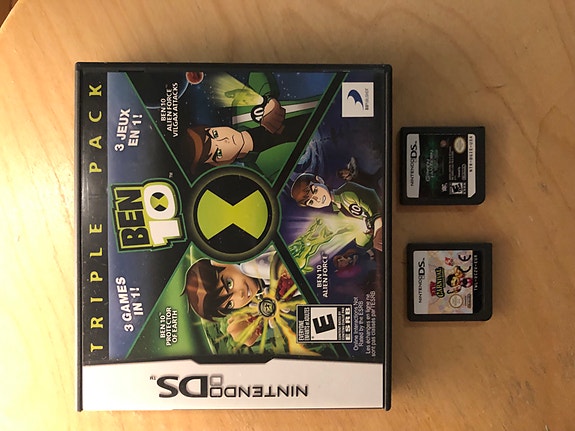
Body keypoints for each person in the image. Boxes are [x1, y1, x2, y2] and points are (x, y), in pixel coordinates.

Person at [290, 173, 383, 252]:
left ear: (320, 180)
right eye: (311, 202)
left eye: (315, 191)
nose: (317, 199)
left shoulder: (347, 190)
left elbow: (373, 200)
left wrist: (378, 228)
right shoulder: (340, 216)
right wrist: (366, 235)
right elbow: (361, 243)